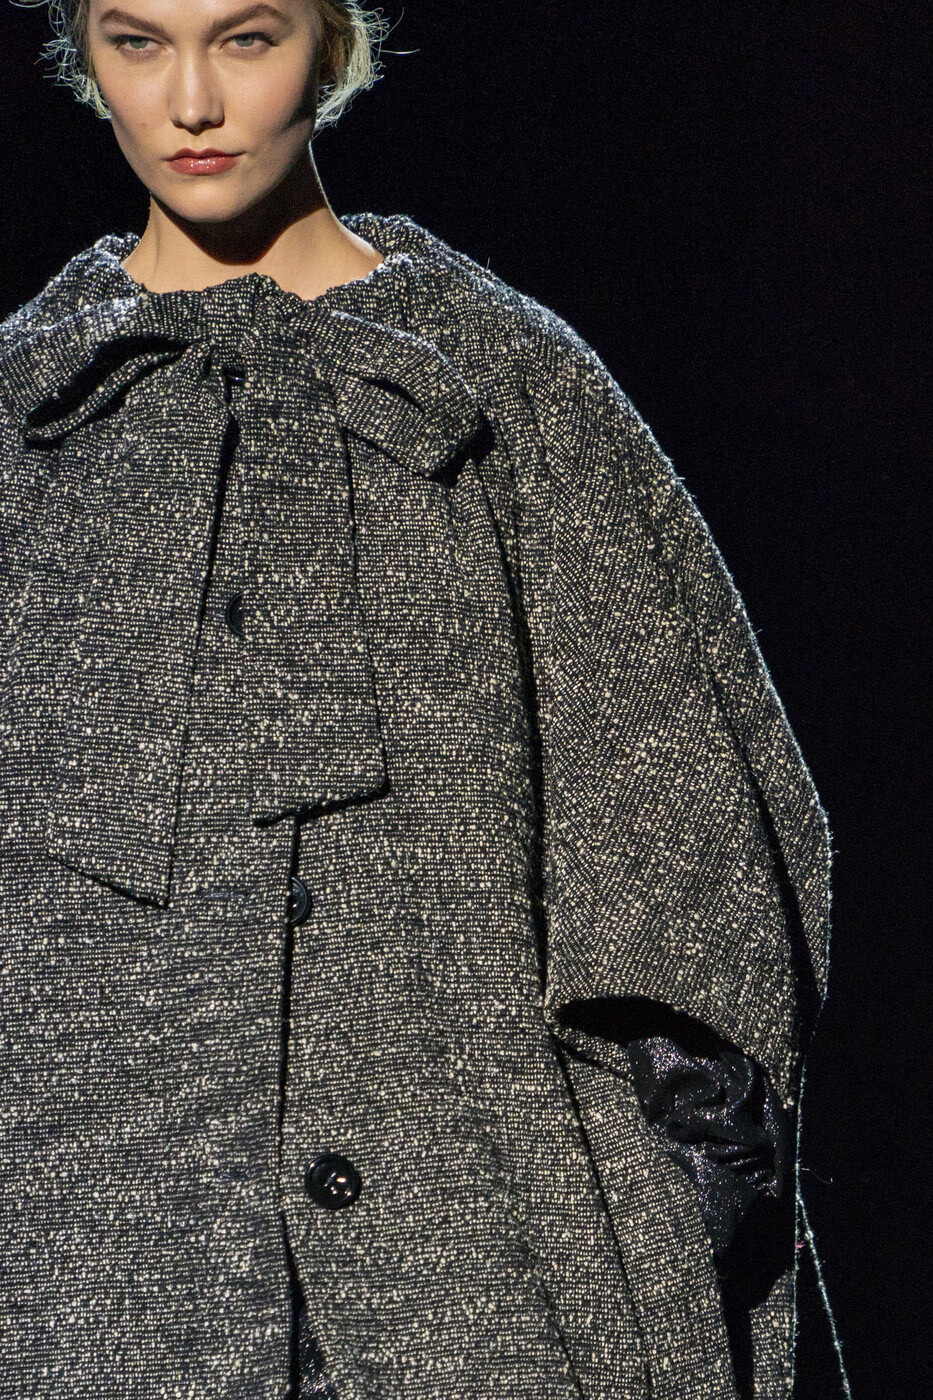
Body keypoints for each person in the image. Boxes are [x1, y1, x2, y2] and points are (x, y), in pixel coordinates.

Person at [0, 3, 834, 1397]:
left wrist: (672, 1186)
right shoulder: (28, 420)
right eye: (139, 41)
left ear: (332, 46)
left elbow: (693, 815)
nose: (191, 101)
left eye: (245, 38)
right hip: (85, 1262)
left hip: (483, 1256)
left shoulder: (506, 381)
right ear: (83, 56)